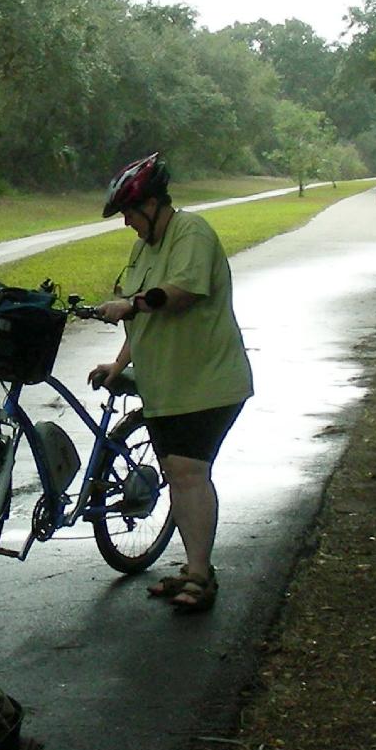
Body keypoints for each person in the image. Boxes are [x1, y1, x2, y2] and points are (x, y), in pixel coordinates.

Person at [87, 152, 254, 614]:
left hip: (207, 381)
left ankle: (201, 575)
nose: (126, 223)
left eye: (129, 212)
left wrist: (133, 305)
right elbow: (141, 318)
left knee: (188, 473)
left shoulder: (191, 232)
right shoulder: (144, 246)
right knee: (180, 477)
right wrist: (118, 366)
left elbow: (179, 294)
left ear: (154, 204)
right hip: (166, 386)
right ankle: (191, 567)